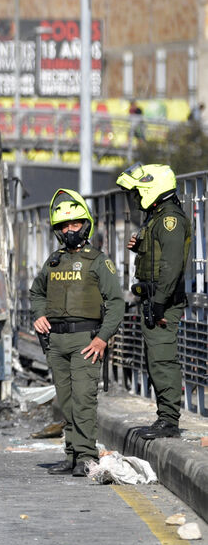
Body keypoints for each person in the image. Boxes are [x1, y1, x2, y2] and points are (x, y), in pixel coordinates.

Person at [29, 189, 124, 476]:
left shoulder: (98, 260)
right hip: (56, 341)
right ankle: (71, 456)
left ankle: (85, 456)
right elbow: (37, 293)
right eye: (63, 226)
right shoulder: (53, 261)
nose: (70, 230)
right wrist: (39, 315)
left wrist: (102, 338)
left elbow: (116, 302)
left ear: (86, 225)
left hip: (86, 340)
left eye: (75, 224)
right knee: (66, 401)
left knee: (84, 400)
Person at [117, 163, 192, 439]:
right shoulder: (157, 217)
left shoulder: (169, 219)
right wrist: (141, 247)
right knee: (154, 359)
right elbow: (159, 255)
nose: (135, 199)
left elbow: (171, 266)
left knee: (162, 360)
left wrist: (159, 302)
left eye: (137, 192)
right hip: (153, 298)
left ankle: (169, 421)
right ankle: (164, 417)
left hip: (163, 301)